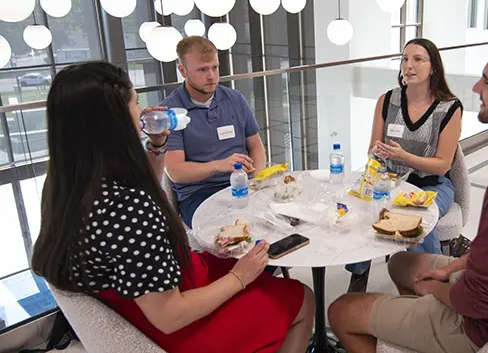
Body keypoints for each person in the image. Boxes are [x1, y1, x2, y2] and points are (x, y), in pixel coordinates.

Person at [327, 31, 488, 353]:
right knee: (400, 264)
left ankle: (414, 329)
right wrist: (450, 268)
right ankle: (409, 325)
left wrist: (433, 287)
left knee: (340, 310)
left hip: (480, 326)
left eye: (487, 83)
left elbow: (474, 302)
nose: (477, 89)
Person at [31, 62, 315, 353]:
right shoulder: (128, 210)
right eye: (135, 102)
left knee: (244, 256)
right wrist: (239, 277)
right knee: (301, 296)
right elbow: (170, 316)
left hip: (148, 295)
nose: (141, 112)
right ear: (113, 121)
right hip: (175, 320)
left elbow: (144, 194)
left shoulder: (66, 187)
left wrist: (157, 144)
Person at [346, 38, 463, 292]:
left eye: (418, 59)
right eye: (405, 59)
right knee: (363, 206)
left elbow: (443, 165)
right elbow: (372, 148)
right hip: (389, 179)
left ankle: (430, 283)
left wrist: (406, 158)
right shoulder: (387, 100)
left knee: (415, 219)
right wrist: (378, 152)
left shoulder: (449, 108)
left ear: (433, 67)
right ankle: (359, 272)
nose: (409, 65)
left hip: (431, 184)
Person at [162, 36, 266, 228]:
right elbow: (176, 172)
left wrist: (257, 180)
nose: (211, 76)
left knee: (284, 219)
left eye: (215, 68)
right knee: (236, 231)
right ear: (183, 71)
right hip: (200, 194)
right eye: (202, 70)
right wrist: (219, 165)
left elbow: (256, 146)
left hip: (244, 185)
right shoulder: (171, 112)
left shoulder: (235, 98)